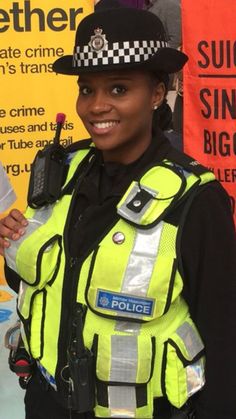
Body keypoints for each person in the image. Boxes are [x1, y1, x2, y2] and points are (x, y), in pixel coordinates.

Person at [0, 5, 236, 419]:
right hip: (46, 403)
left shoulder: (196, 201)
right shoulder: (61, 170)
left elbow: (225, 339)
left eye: (119, 89)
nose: (96, 107)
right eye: (87, 89)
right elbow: (44, 281)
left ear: (158, 93)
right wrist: (15, 244)